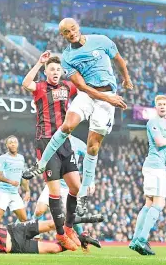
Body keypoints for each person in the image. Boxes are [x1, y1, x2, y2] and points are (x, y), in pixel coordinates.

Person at [23, 18, 133, 218]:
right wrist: (107, 98)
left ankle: (83, 196)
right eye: (66, 32)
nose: (71, 33)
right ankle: (39, 166)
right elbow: (81, 87)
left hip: (107, 95)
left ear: (78, 27)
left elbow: (119, 60)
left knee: (93, 146)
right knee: (67, 126)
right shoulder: (67, 57)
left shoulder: (101, 40)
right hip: (89, 94)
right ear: (63, 36)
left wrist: (126, 78)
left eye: (72, 28)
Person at [22, 52, 82, 251]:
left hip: (65, 142)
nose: (55, 72)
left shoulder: (67, 86)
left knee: (76, 187)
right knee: (55, 192)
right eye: (52, 69)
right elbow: (25, 83)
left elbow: (82, 84)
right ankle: (61, 234)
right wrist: (39, 62)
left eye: (58, 69)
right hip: (46, 142)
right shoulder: (39, 87)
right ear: (46, 72)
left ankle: (68, 227)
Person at [129, 95, 166, 255]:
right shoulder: (153, 122)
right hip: (155, 167)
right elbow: (159, 142)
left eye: (164, 104)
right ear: (155, 107)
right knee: (158, 204)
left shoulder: (164, 123)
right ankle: (142, 240)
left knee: (148, 204)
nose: (162, 106)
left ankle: (135, 240)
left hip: (154, 167)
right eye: (159, 104)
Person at [33, 135, 95, 238]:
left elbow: (89, 160)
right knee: (39, 210)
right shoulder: (54, 141)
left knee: (72, 215)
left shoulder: (78, 143)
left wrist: (91, 181)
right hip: (53, 182)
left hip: (69, 185)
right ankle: (32, 233)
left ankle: (83, 238)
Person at [0, 136, 30, 226]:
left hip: (14, 193)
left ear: (17, 144)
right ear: (7, 145)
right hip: (3, 191)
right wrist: (10, 182)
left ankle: (14, 237)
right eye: (10, 142)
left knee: (23, 218)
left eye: (15, 142)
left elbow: (23, 176)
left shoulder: (21, 158)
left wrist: (27, 191)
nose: (13, 144)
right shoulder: (3, 158)